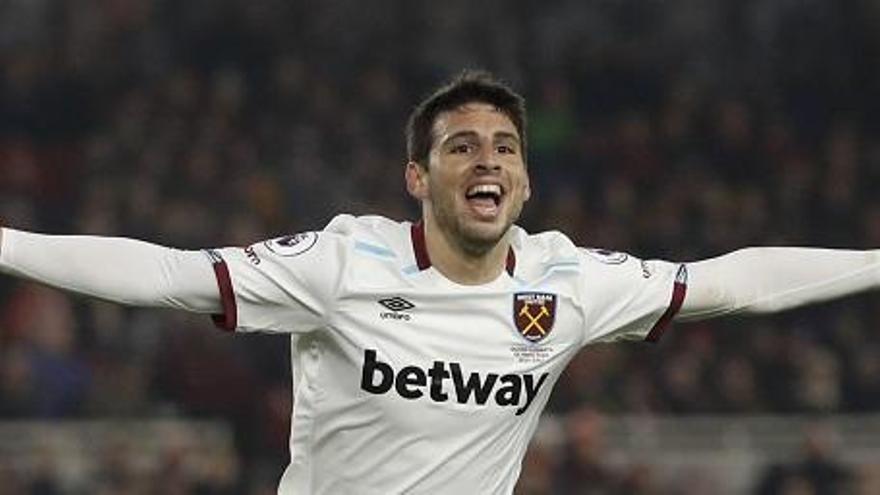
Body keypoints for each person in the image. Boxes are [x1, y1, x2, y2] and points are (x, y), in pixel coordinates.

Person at [1, 70, 879, 495]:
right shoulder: (344, 262)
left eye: (504, 148)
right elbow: (169, 275)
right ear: (418, 178)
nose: (487, 159)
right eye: (461, 146)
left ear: (526, 182)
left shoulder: (565, 280)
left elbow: (730, 283)